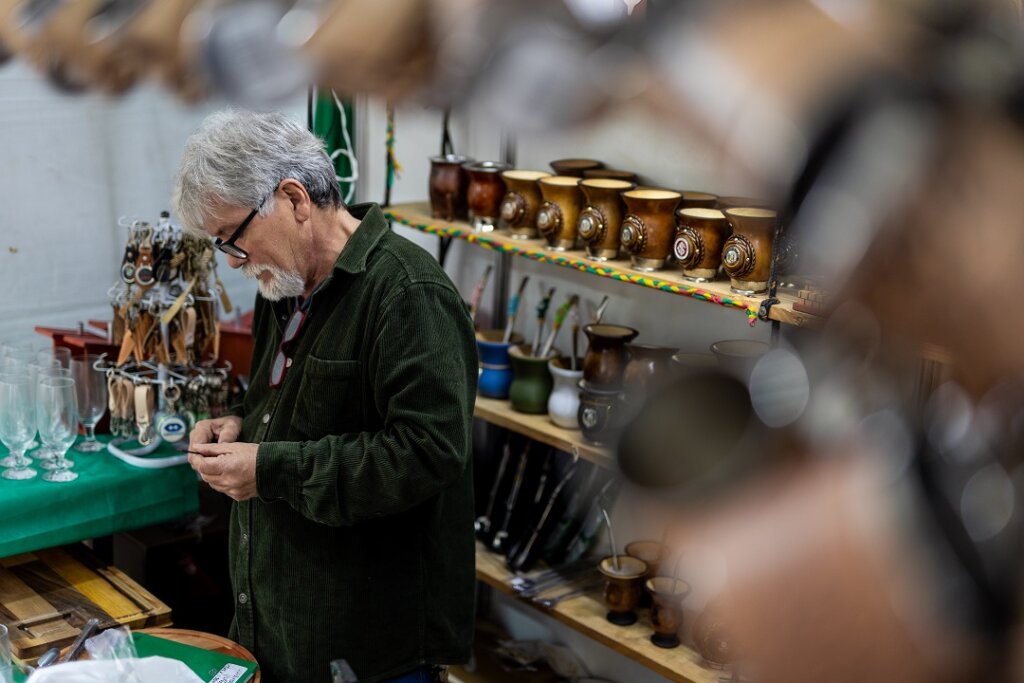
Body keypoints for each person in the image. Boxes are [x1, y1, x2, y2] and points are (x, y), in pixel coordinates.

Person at [172, 110, 478, 683]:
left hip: (366, 652)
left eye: (235, 240)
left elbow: (427, 453)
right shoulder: (283, 287)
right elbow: (284, 402)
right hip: (281, 630)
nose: (236, 264)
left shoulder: (409, 294)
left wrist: (272, 470)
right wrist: (240, 421)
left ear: (293, 199)